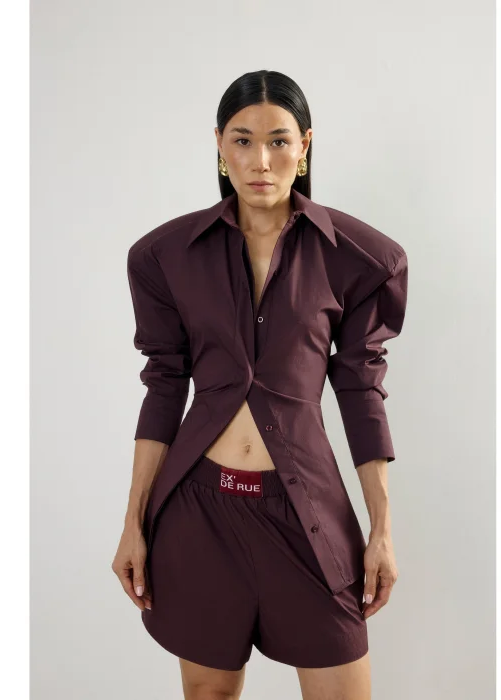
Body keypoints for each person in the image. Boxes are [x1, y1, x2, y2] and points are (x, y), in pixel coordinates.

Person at [112, 69, 409, 700]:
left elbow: (361, 392)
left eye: (279, 140)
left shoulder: (360, 258)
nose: (261, 160)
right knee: (209, 694)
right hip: (198, 512)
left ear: (306, 144)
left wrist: (382, 527)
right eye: (243, 140)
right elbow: (163, 386)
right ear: (219, 145)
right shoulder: (165, 256)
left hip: (305, 512)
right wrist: (133, 521)